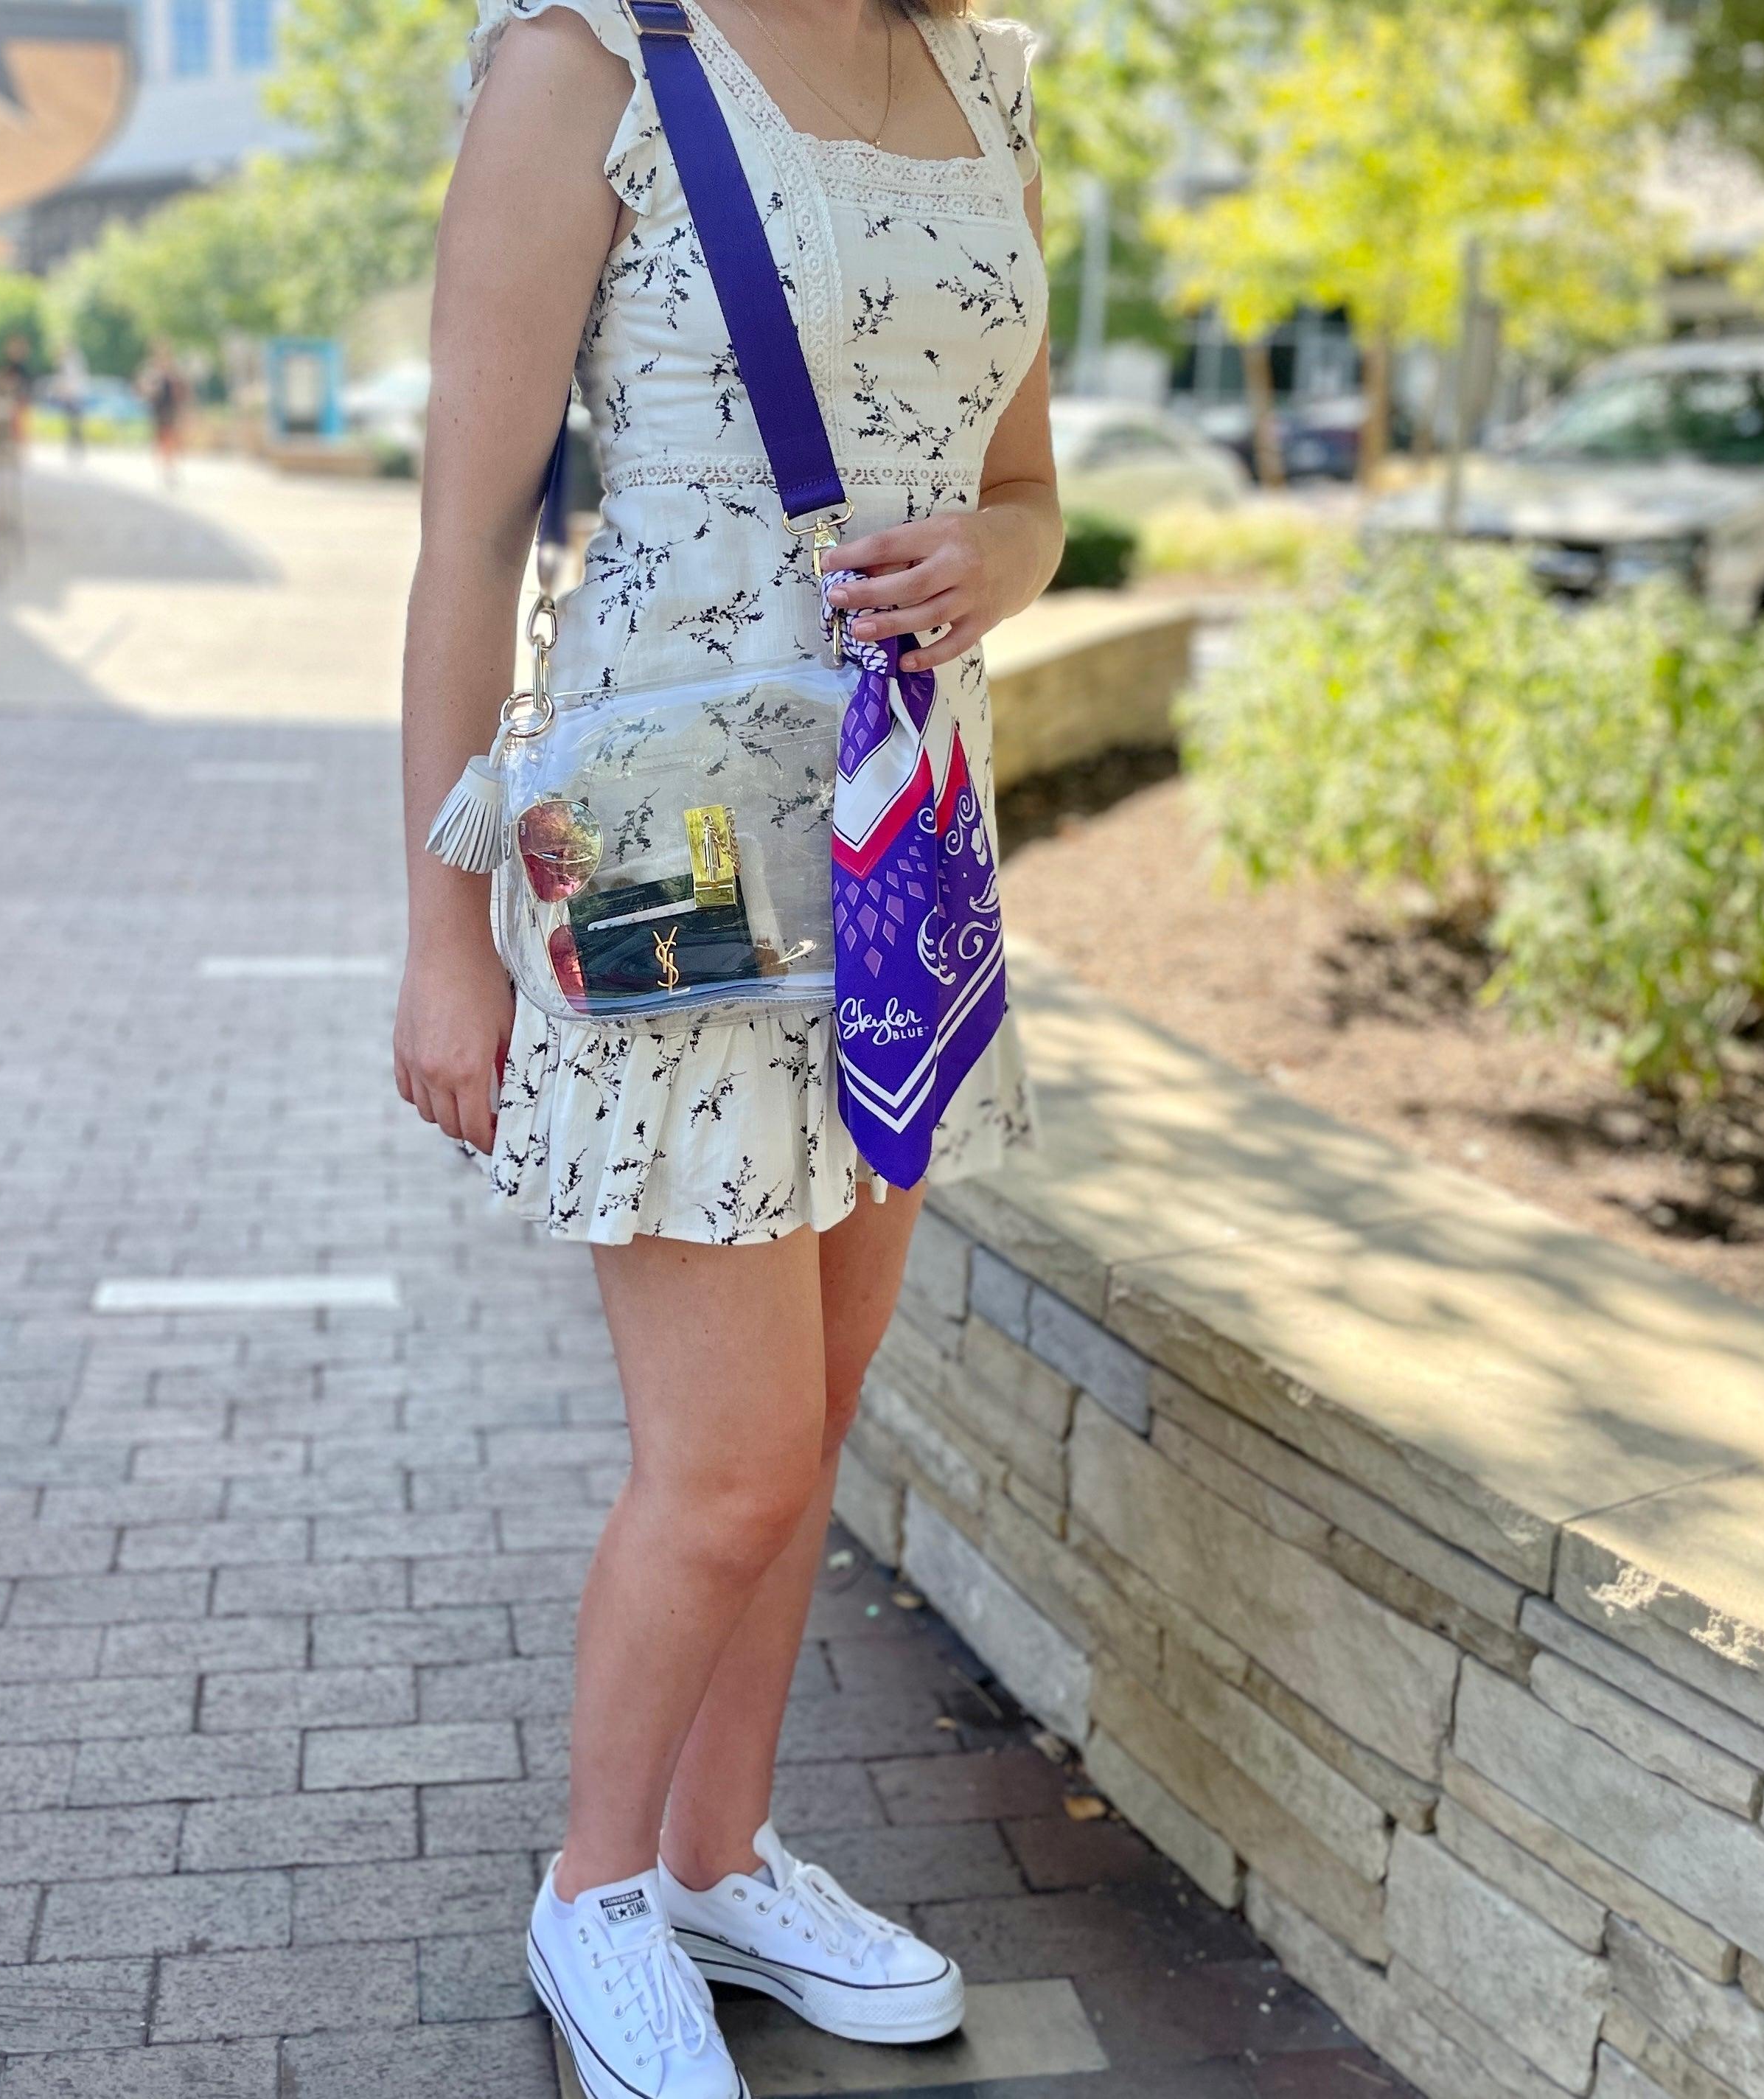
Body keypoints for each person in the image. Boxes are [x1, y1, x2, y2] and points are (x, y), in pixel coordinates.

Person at [394, 3, 1061, 2092]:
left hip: (890, 832)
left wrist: (990, 560)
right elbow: (465, 529)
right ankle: (592, 1887)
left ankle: (712, 1854)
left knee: (823, 1403)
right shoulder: (581, 59)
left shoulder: (989, 78)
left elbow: (1028, 489)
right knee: (731, 1457)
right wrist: (439, 935)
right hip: (664, 833)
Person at [139, 343, 186, 484]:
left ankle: (169, 469)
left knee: (170, 440)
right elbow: (144, 391)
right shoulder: (153, 374)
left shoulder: (174, 374)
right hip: (158, 411)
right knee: (161, 441)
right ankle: (164, 469)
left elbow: (180, 393)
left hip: (170, 410)